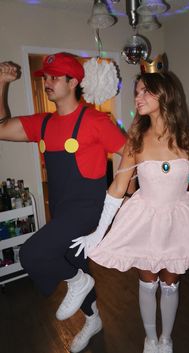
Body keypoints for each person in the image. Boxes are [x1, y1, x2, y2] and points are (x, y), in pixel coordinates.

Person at [70, 58, 189, 353]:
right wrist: (98, 232)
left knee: (170, 282)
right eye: (136, 92)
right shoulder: (135, 140)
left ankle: (166, 339)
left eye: (145, 91)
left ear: (165, 94)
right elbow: (117, 188)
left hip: (179, 220)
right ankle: (150, 338)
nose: (137, 97)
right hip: (144, 219)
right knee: (147, 281)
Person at [0, 52, 127, 353]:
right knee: (76, 264)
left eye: (55, 77)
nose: (47, 82)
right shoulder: (43, 124)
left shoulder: (96, 120)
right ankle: (92, 318)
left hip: (88, 209)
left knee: (31, 255)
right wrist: (2, 83)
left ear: (73, 82)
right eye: (45, 77)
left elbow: (131, 153)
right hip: (61, 211)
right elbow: (1, 126)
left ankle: (78, 281)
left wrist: (120, 200)